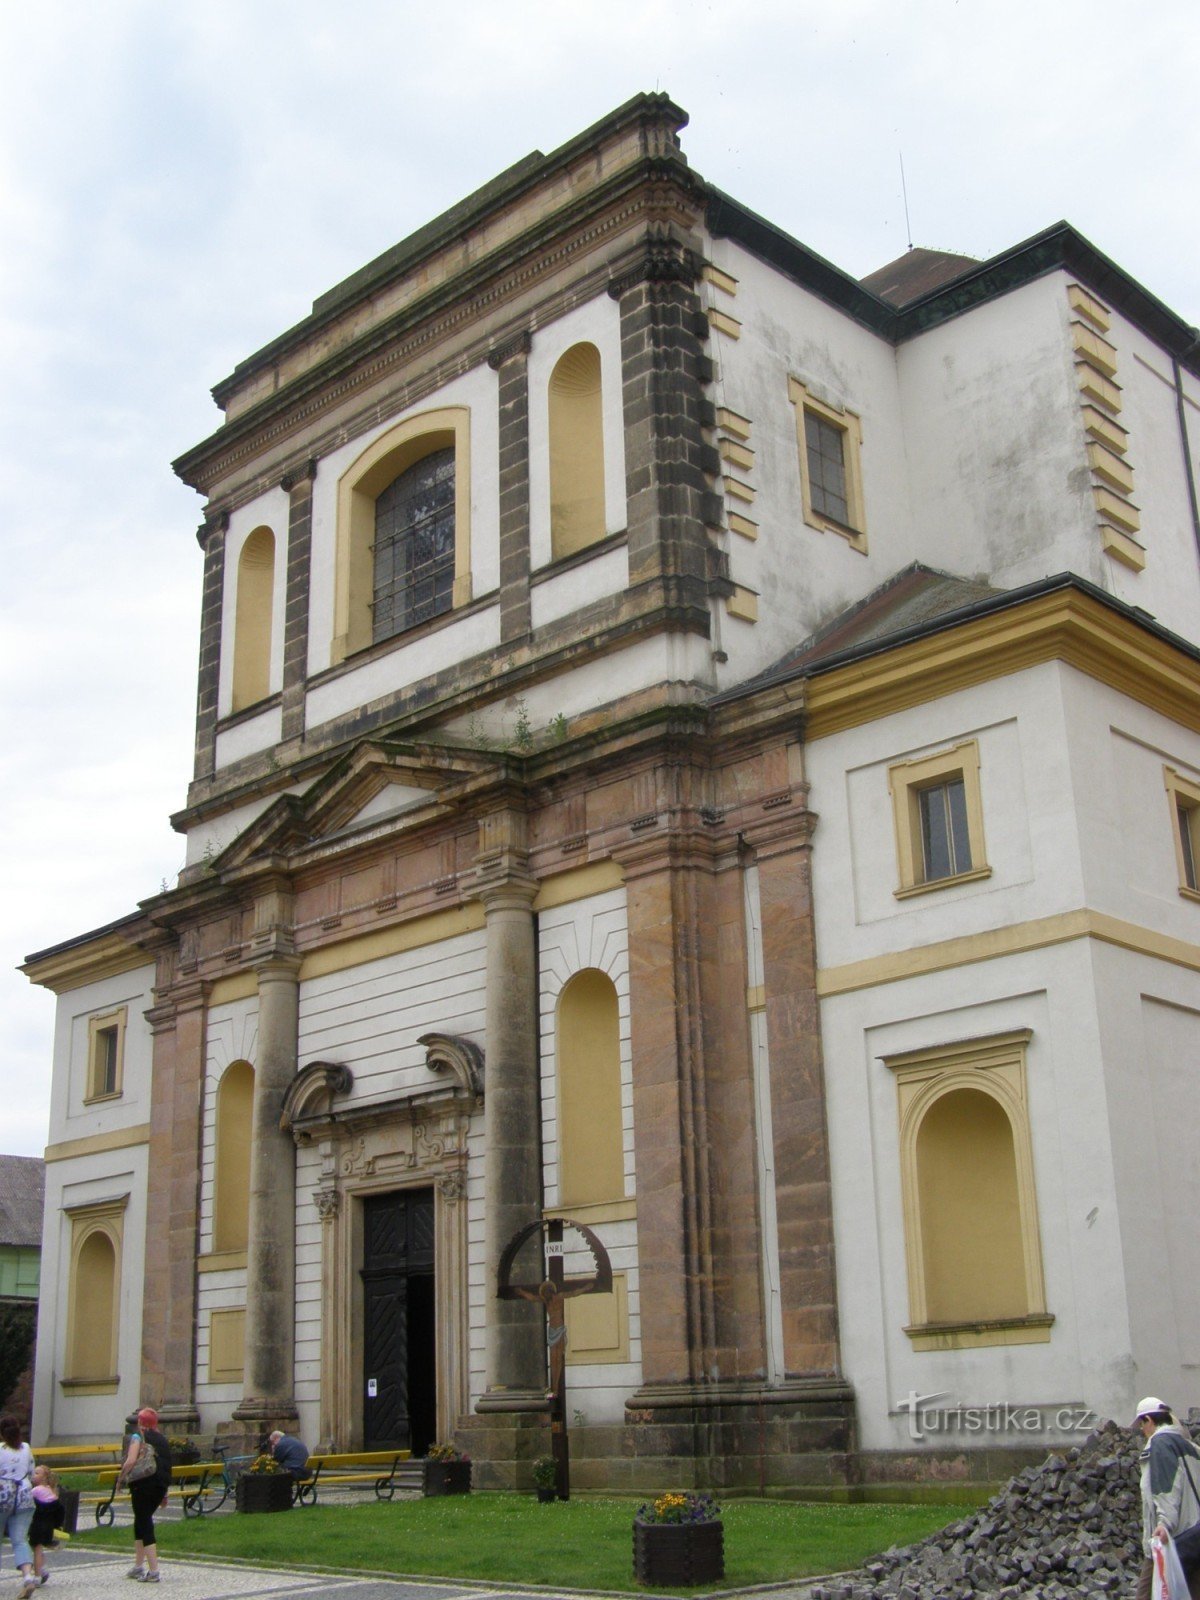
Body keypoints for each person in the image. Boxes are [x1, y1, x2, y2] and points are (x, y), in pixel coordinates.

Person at [1134, 1396, 1200, 1600]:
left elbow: (1167, 1487)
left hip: (1171, 1540)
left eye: (1141, 1424)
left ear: (1149, 1421)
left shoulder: (1160, 1443)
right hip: (1194, 1537)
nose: (1141, 1430)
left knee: (1146, 1593)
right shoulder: (1188, 1446)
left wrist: (1164, 1523)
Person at [119, 1407, 172, 1584]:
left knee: (144, 1523)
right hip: (159, 1486)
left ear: (140, 1422)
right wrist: (165, 1492)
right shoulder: (163, 1440)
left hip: (142, 1484)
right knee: (140, 1521)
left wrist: (121, 1478)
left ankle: (154, 1570)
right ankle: (138, 1565)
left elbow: (131, 1460)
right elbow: (166, 1466)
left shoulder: (138, 1437)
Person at [0, 1415, 37, 1599]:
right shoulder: (26, 1448)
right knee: (20, 1540)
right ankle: (28, 1577)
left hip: (3, 1495)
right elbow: (31, 1472)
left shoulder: (0, 1450)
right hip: (24, 1495)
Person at [29, 1464, 67, 1587]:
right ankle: (42, 1568)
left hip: (38, 1525)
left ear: (44, 1477)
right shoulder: (51, 1491)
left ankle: (38, 1576)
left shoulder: (36, 1490)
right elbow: (60, 1511)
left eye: (36, 1473)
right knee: (38, 1550)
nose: (33, 1475)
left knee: (37, 1549)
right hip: (49, 1526)